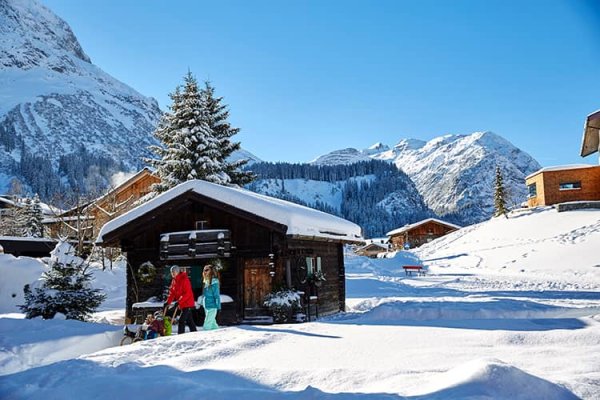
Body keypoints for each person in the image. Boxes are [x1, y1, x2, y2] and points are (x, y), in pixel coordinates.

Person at [164, 265, 197, 334]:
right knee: (190, 321)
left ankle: (180, 335)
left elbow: (187, 293)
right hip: (182, 303)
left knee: (182, 320)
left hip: (187, 303)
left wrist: (179, 301)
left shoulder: (184, 279)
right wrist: (168, 302)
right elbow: (172, 293)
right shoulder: (174, 280)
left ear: (178, 272)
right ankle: (195, 333)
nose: (172, 274)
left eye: (174, 272)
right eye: (171, 272)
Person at [202, 264, 221, 330]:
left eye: (207, 270)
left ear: (211, 271)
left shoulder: (214, 283)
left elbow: (217, 296)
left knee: (207, 325)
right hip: (206, 306)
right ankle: (218, 335)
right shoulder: (206, 281)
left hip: (212, 307)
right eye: (204, 270)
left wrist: (218, 306)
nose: (205, 271)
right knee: (213, 324)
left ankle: (204, 338)